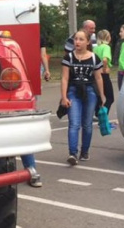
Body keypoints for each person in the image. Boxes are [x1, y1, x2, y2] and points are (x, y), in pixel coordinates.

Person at [60, 28, 107, 165]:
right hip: (73, 91)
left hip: (90, 92)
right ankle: (72, 153)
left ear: (87, 42)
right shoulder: (68, 57)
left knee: (87, 124)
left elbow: (98, 78)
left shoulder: (93, 57)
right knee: (74, 123)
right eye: (76, 39)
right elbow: (64, 78)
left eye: (81, 39)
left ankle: (84, 151)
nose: (77, 42)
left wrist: (102, 96)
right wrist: (64, 97)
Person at [20, 32, 51, 187]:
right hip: (28, 81)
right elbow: (42, 55)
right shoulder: (36, 33)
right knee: (25, 123)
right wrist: (46, 70)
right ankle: (31, 169)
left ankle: (31, 168)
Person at [93, 29, 114, 114]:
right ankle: (103, 114)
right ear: (107, 37)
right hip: (104, 74)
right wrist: (104, 68)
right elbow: (105, 59)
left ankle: (97, 112)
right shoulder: (106, 47)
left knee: (99, 95)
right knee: (110, 97)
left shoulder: (96, 48)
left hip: (96, 73)